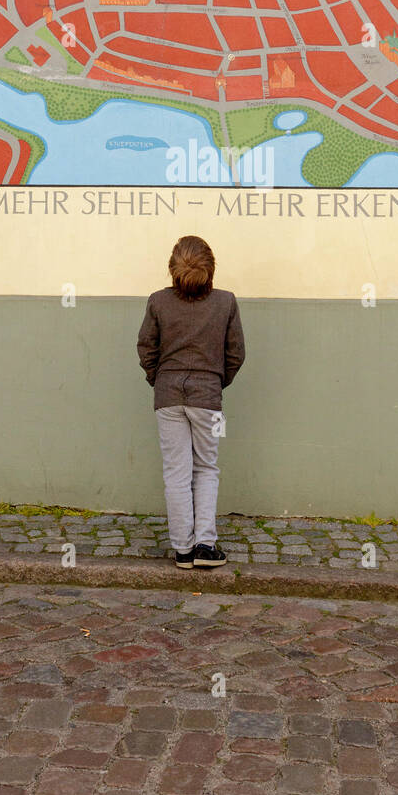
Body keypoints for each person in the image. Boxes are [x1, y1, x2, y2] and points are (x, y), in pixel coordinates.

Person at [137, 235, 245, 569]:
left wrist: (160, 379)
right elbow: (236, 354)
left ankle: (182, 549)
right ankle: (205, 546)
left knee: (176, 471)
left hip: (167, 397)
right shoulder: (226, 302)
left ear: (173, 268)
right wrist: (216, 382)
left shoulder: (157, 302)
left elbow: (146, 348)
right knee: (207, 467)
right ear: (211, 268)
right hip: (209, 399)